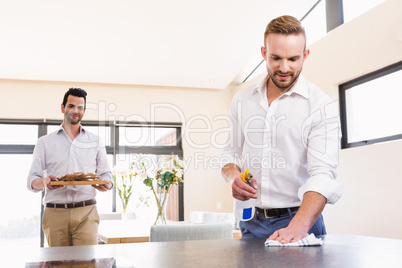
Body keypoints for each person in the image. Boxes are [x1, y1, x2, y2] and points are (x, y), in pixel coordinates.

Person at [220, 15, 343, 244]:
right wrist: (232, 177)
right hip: (251, 221)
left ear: (305, 55)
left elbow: (322, 174)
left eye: (293, 59)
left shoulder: (320, 106)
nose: (284, 68)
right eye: (276, 58)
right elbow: (229, 155)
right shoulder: (242, 100)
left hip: (300, 221)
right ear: (264, 53)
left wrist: (297, 227)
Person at [27, 88, 113, 247]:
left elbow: (106, 174)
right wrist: (44, 181)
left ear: (84, 111)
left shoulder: (95, 141)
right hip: (55, 213)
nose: (75, 111)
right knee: (58, 264)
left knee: (86, 263)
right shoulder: (44, 142)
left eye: (80, 107)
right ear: (62, 108)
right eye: (71, 106)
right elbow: (32, 180)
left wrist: (107, 183)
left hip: (86, 211)